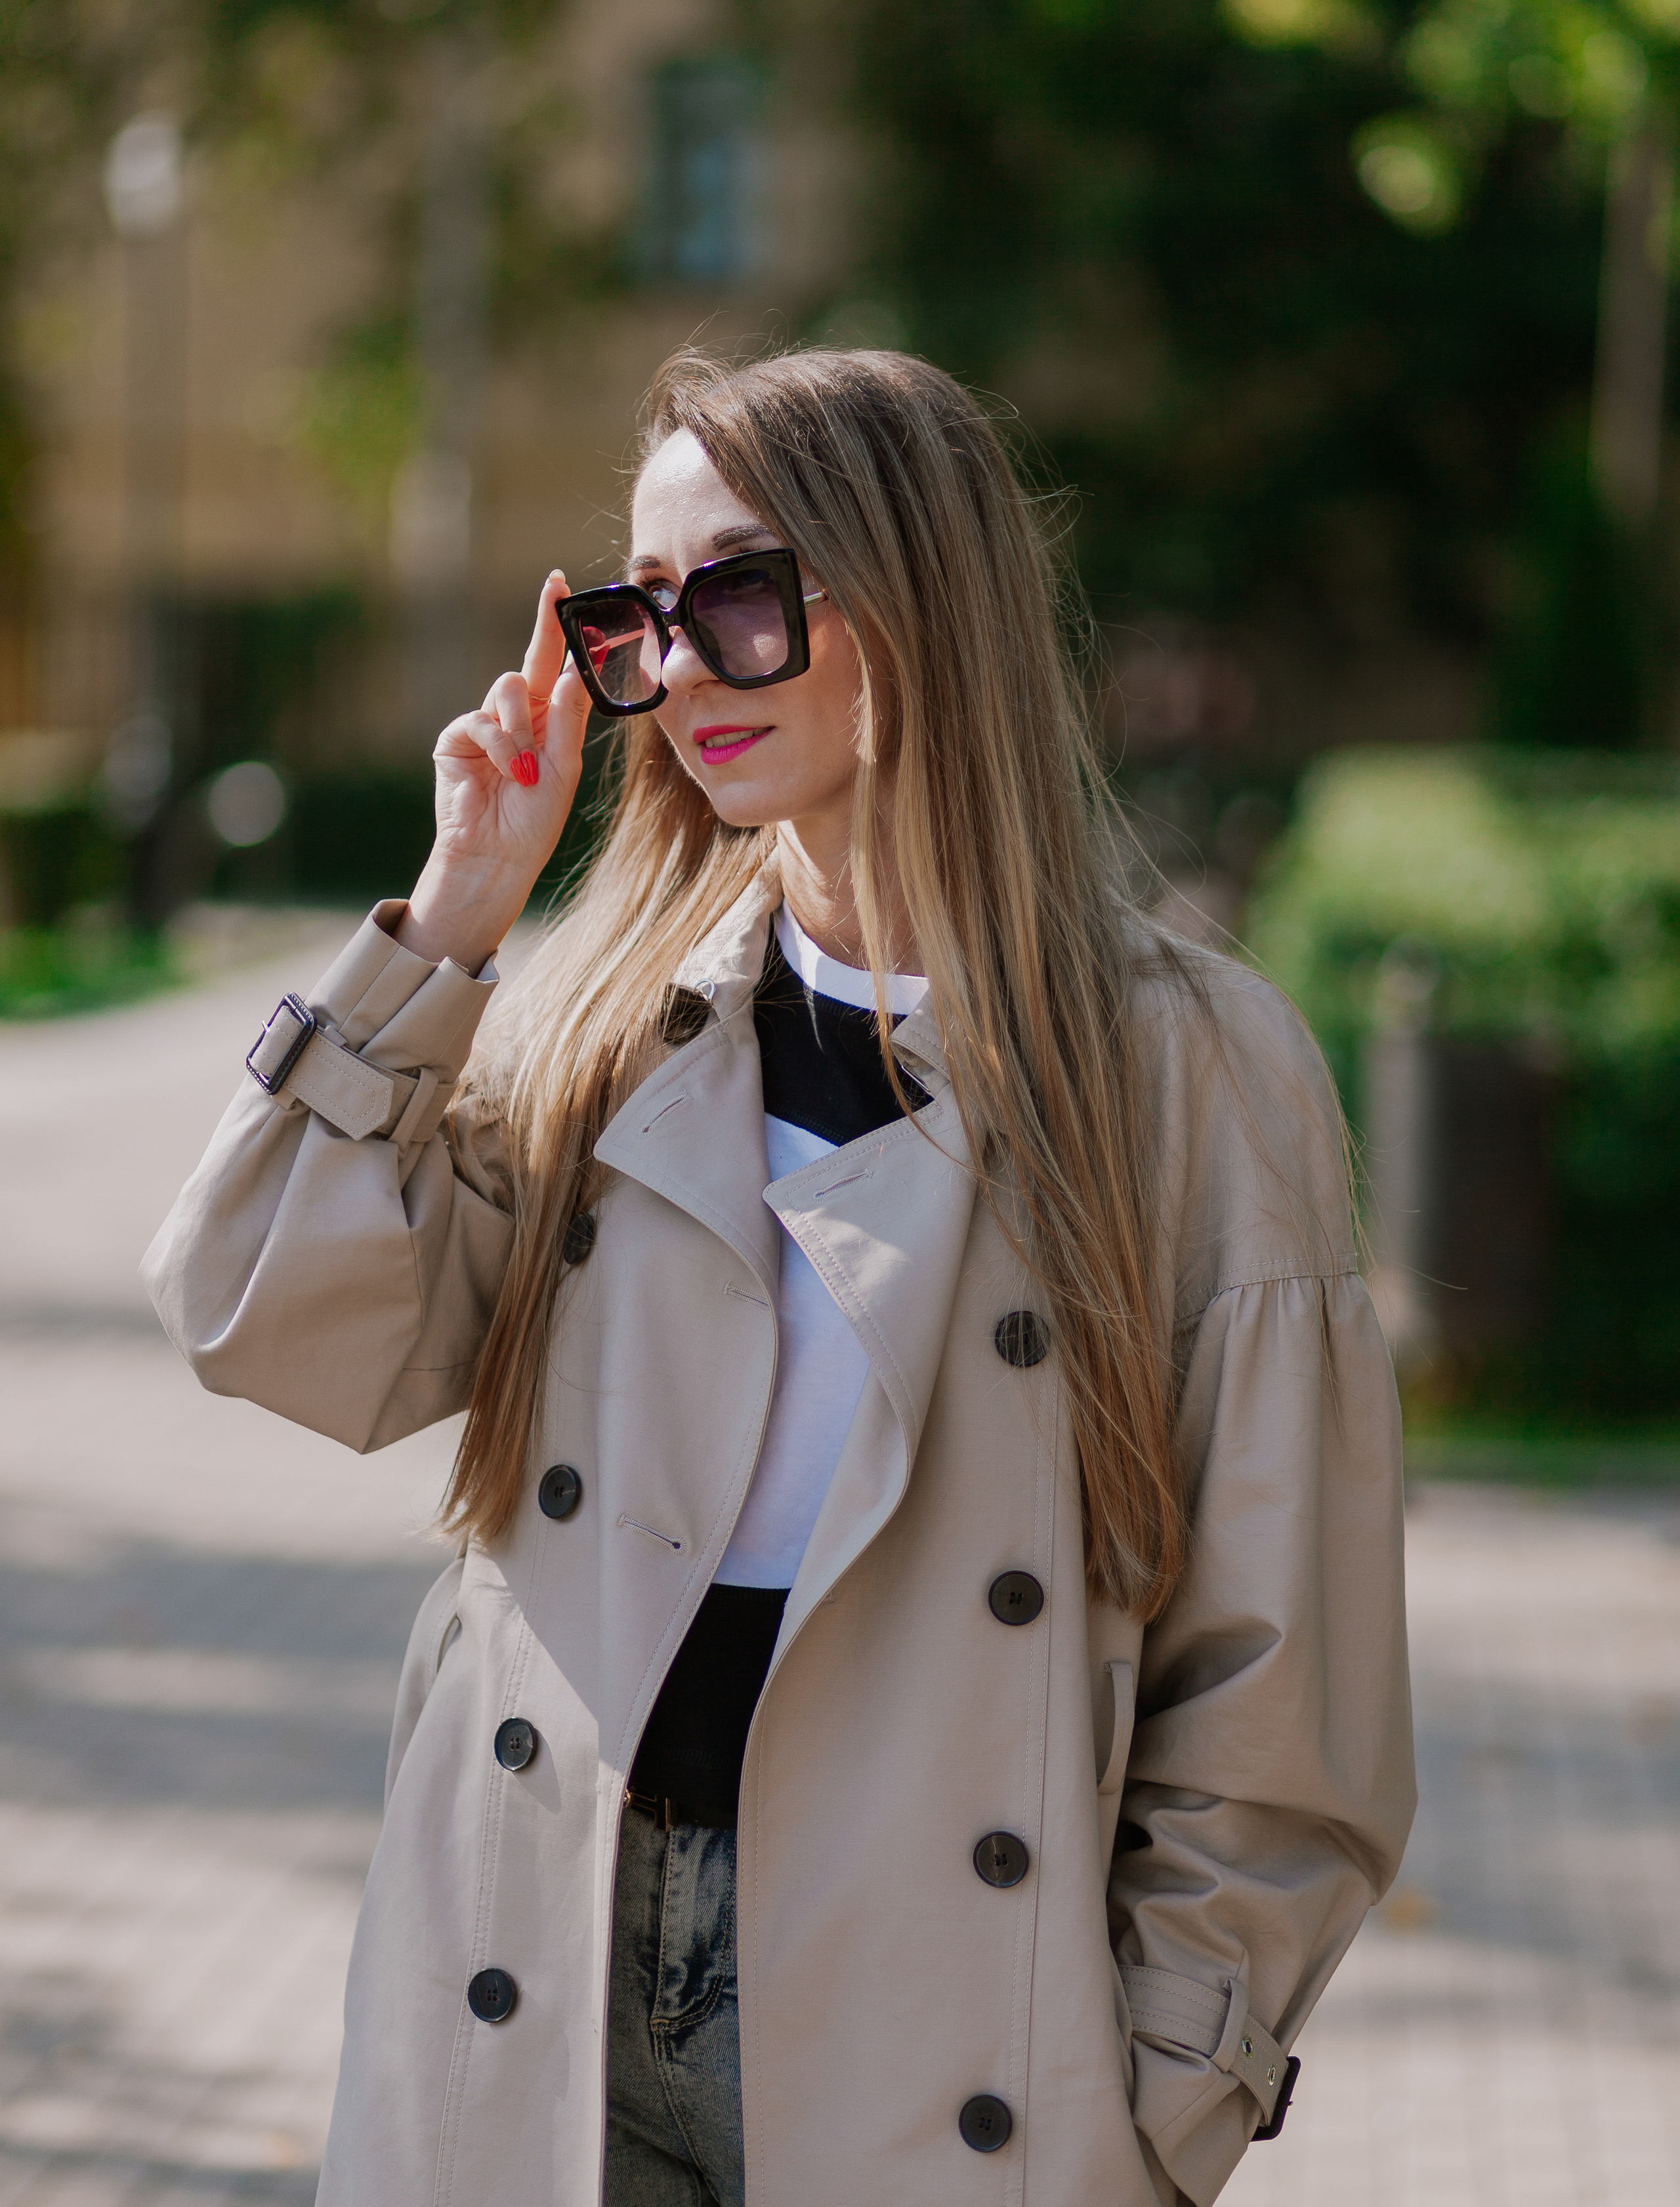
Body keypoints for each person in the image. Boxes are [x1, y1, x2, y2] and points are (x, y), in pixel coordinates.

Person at [144, 347, 1414, 2207]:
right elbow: (262, 1316)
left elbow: (1286, 1693)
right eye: (635, 620)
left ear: (916, 603)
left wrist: (1151, 2104)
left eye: (735, 596)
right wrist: (455, 920)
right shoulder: (599, 1017)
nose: (673, 674)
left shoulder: (1186, 1067)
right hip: (539, 1961)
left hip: (946, 2016)